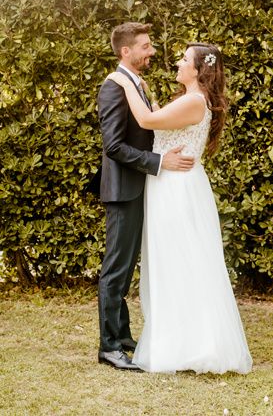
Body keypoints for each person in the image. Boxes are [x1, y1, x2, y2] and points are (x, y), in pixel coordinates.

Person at [107, 42, 253, 374]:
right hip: (172, 185)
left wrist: (125, 80)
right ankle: (184, 337)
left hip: (176, 189)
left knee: (179, 260)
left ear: (199, 69)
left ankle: (190, 344)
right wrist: (143, 88)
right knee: (178, 259)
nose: (178, 62)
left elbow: (146, 121)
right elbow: (163, 123)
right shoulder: (191, 100)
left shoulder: (193, 100)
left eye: (184, 59)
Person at [97, 23, 195, 371]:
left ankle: (122, 337)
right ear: (127, 52)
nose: (152, 51)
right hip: (123, 191)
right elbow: (113, 146)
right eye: (146, 46)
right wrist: (158, 161)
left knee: (124, 270)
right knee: (116, 269)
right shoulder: (114, 86)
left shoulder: (138, 84)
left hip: (139, 189)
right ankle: (109, 347)